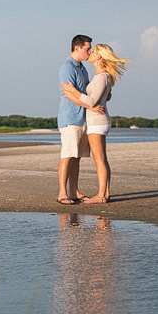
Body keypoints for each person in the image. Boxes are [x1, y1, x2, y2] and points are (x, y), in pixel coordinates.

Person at [60, 43, 130, 203]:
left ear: (99, 57)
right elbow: (98, 96)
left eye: (94, 51)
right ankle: (105, 193)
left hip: (97, 122)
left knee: (99, 159)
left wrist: (73, 91)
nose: (91, 52)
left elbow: (91, 101)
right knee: (102, 159)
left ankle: (100, 195)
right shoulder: (101, 77)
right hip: (98, 121)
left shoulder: (101, 77)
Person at [57, 34, 97, 205]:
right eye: (88, 48)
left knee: (77, 156)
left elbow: (86, 92)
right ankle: (62, 193)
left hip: (82, 119)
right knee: (67, 155)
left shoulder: (83, 68)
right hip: (70, 118)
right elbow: (68, 93)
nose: (90, 52)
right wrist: (90, 106)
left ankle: (74, 191)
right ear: (77, 48)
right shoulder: (67, 67)